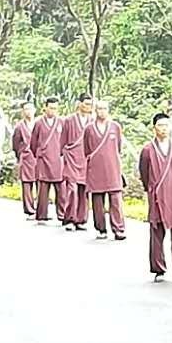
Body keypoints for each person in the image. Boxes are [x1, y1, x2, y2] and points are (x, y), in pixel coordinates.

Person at [138, 112, 172, 282]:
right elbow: (144, 173)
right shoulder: (148, 150)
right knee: (157, 232)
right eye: (160, 125)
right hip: (158, 197)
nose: (164, 129)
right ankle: (158, 267)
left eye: (166, 125)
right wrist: (151, 190)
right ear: (154, 128)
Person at [83, 99, 126, 240]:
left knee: (115, 199)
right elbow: (86, 149)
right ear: (95, 110)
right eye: (100, 109)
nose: (102, 111)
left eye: (105, 109)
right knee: (97, 200)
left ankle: (119, 229)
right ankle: (101, 228)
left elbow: (118, 147)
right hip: (95, 169)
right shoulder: (89, 129)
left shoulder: (115, 127)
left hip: (113, 167)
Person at [60, 93, 94, 231]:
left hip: (86, 159)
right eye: (86, 104)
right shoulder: (69, 120)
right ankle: (69, 218)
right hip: (72, 157)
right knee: (72, 189)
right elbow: (62, 140)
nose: (88, 107)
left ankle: (81, 219)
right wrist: (61, 154)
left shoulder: (92, 121)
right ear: (79, 104)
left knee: (83, 190)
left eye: (90, 104)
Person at [30, 97, 65, 223]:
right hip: (43, 160)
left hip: (58, 159)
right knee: (43, 190)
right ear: (45, 108)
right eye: (50, 108)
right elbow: (33, 142)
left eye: (55, 108)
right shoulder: (39, 123)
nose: (53, 111)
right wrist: (38, 154)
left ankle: (62, 214)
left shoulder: (62, 122)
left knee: (61, 189)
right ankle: (41, 215)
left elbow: (65, 141)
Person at [11, 103, 37, 217]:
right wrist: (20, 154)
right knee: (27, 183)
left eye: (30, 109)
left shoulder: (39, 124)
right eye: (26, 109)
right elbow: (15, 143)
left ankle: (41, 209)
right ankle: (29, 209)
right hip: (26, 157)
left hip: (38, 157)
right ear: (23, 112)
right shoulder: (19, 127)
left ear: (35, 110)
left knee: (41, 183)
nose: (28, 111)